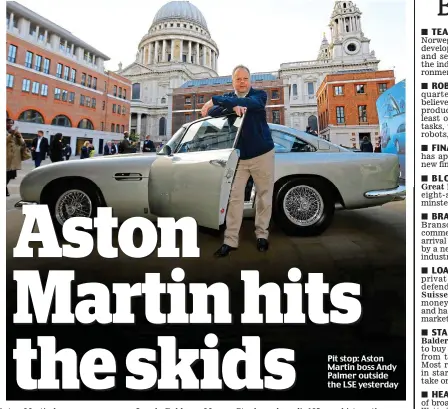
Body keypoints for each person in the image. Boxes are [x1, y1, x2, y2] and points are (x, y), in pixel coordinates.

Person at [201, 64, 275, 257]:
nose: (242, 82)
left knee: (264, 197)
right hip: (239, 157)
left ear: (250, 80)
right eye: (238, 79)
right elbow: (211, 113)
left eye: (245, 79)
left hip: (262, 153)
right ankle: (230, 240)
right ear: (232, 81)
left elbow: (253, 105)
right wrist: (231, 105)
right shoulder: (230, 100)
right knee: (234, 198)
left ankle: (262, 235)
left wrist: (214, 99)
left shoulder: (259, 95)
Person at [6, 126, 26, 196]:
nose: (10, 125)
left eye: (11, 123)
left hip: (13, 160)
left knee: (9, 176)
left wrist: (19, 136)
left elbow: (22, 143)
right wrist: (11, 135)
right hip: (6, 158)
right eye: (8, 123)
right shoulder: (8, 134)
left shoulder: (15, 135)